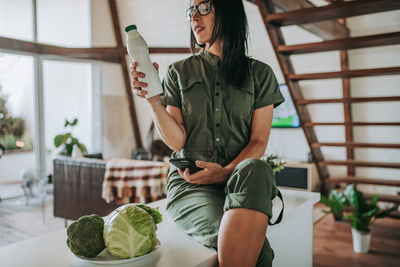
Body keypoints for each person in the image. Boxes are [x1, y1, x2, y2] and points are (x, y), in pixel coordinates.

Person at [130, 0, 284, 266]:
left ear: (228, 9)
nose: (194, 18)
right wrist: (153, 100)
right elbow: (177, 141)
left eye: (203, 8)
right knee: (255, 250)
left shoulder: (261, 74)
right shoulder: (178, 72)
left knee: (257, 169)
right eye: (191, 11)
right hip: (191, 186)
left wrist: (227, 172)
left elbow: (259, 141)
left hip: (241, 181)